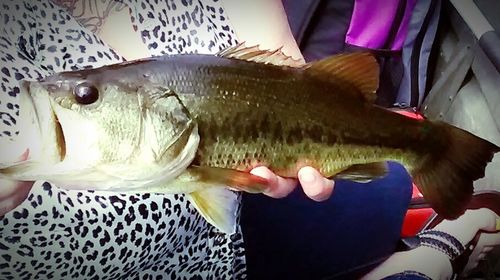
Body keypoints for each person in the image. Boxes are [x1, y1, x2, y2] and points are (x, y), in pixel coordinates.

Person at [0, 0, 498, 279]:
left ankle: (433, 229)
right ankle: (436, 252)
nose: (62, 100)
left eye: (86, 95)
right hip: (180, 264)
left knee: (382, 191)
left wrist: (310, 93)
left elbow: (286, 59)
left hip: (257, 210)